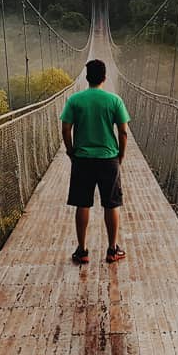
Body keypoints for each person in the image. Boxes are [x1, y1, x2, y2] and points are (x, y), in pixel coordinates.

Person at [60, 59, 131, 265]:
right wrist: (121, 155)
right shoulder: (115, 100)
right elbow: (124, 131)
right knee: (111, 204)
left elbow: (66, 129)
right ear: (105, 78)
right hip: (109, 159)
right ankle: (112, 249)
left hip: (82, 159)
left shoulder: (74, 100)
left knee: (83, 204)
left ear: (86, 77)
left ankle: (82, 251)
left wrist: (71, 150)